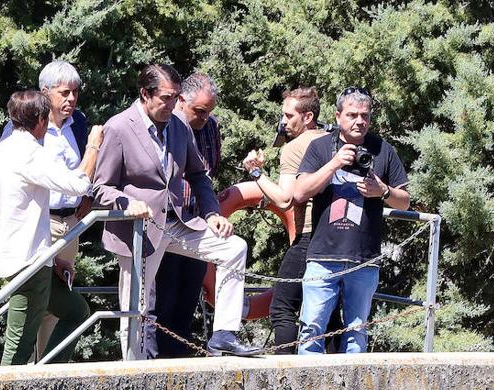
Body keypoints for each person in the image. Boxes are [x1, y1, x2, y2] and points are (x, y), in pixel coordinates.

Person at [92, 63, 261, 359]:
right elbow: (100, 188)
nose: (172, 105)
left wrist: (212, 214)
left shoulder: (179, 126)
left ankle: (223, 335)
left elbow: (198, 175)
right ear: (145, 94)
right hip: (139, 231)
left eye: (175, 97)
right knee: (139, 307)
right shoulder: (118, 127)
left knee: (234, 247)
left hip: (179, 223)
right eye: (166, 98)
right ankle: (133, 369)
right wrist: (127, 203)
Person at [0, 91, 123, 365]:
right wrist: (93, 146)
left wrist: (53, 258)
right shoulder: (29, 153)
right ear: (39, 120)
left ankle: (49, 375)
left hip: (35, 258)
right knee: (18, 349)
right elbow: (78, 185)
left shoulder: (2, 150)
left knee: (76, 311)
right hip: (28, 263)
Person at [291, 87, 411, 354]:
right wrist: (334, 163)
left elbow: (405, 200)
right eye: (352, 115)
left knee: (357, 332)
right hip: (323, 256)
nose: (360, 121)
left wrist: (384, 191)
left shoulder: (382, 150)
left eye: (365, 116)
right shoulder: (320, 146)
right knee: (311, 329)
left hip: (364, 259)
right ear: (337, 116)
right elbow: (299, 192)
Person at [0, 60, 102, 359]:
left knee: (57, 308)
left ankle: (48, 371)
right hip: (39, 224)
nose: (71, 99)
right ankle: (30, 371)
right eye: (64, 93)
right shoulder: (20, 132)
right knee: (38, 306)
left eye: (75, 92)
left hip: (71, 221)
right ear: (45, 93)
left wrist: (90, 195)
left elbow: (86, 174)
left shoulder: (79, 122)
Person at [241, 86, 340, 353]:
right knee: (329, 316)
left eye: (289, 116)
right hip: (338, 237)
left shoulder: (295, 147)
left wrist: (257, 174)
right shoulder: (333, 140)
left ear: (307, 117)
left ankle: (286, 373)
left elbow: (285, 199)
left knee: (282, 308)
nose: (283, 121)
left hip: (309, 235)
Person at [153, 73, 224, 358]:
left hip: (196, 223)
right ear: (181, 100)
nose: (205, 117)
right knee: (163, 305)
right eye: (200, 111)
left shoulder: (210, 128)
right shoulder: (166, 125)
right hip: (166, 226)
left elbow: (206, 173)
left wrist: (211, 213)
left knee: (186, 304)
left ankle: (182, 369)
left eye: (209, 112)